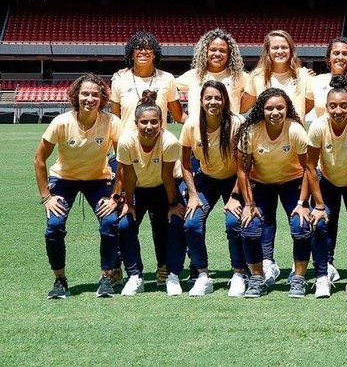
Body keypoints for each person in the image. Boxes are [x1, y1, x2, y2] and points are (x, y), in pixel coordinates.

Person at [34, 73, 124, 298]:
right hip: (64, 180)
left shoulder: (112, 122)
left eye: (95, 94)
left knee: (111, 222)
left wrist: (115, 195)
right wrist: (47, 196)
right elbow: (39, 159)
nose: (90, 99)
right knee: (54, 226)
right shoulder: (62, 122)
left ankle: (106, 277)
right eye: (85, 93)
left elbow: (123, 161)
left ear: (102, 97)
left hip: (98, 179)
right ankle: (60, 280)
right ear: (76, 95)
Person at [240, 29, 314, 285]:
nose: (280, 51)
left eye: (284, 47)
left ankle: (301, 271)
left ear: (291, 50)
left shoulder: (303, 75)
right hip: (263, 157)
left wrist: (293, 125)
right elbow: (245, 108)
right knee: (263, 221)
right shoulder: (257, 77)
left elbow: (310, 103)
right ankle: (267, 265)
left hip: (292, 153)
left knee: (300, 221)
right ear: (267, 51)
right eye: (275, 48)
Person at [234, 88, 315, 298]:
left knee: (301, 225)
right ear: (261, 109)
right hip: (261, 185)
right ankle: (257, 278)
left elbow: (309, 169)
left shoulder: (295, 130)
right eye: (269, 108)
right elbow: (243, 171)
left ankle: (298, 278)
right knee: (249, 227)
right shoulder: (250, 132)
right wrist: (249, 205)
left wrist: (302, 203)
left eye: (280, 107)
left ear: (287, 108)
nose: (275, 112)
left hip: (293, 183)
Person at [179, 80, 247, 297]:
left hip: (234, 179)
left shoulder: (237, 123)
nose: (213, 102)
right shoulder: (191, 125)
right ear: (201, 101)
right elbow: (186, 164)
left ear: (225, 100)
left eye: (218, 97)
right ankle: (202, 275)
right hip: (206, 180)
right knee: (191, 223)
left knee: (234, 221)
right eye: (208, 98)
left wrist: (236, 195)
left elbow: (245, 164)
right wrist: (191, 194)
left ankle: (238, 273)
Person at [307, 76, 347, 298]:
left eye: (343, 105)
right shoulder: (317, 127)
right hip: (327, 181)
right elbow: (309, 168)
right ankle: (322, 276)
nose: (338, 110)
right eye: (333, 106)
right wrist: (317, 204)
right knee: (320, 224)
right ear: (326, 107)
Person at [116, 91, 186, 296]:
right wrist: (129, 203)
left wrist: (173, 204)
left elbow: (167, 176)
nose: (149, 127)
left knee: (172, 224)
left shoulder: (170, 141)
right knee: (124, 225)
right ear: (136, 123)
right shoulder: (126, 141)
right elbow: (127, 175)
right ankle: (135, 275)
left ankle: (169, 272)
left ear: (162, 122)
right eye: (144, 122)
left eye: (154, 122)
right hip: (137, 188)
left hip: (164, 187)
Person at [176, 28, 248, 120]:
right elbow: (168, 89)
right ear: (205, 51)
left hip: (229, 132)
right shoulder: (192, 75)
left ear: (229, 54)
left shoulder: (240, 76)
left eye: (222, 51)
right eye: (213, 50)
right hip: (198, 132)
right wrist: (183, 118)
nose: (217, 54)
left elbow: (246, 106)